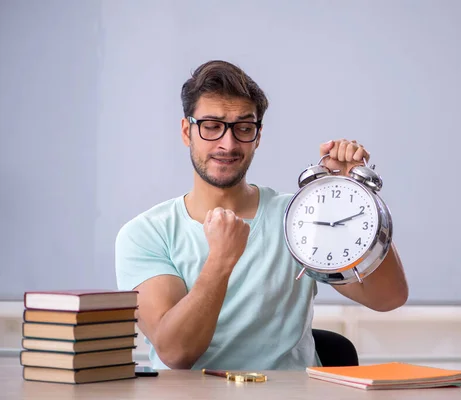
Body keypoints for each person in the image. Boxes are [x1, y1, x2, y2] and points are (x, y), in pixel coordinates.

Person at [115, 60, 409, 371]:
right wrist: (221, 259)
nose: (227, 144)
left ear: (258, 136)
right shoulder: (145, 233)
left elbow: (388, 297)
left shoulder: (299, 217)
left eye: (243, 128)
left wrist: (354, 195)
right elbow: (175, 352)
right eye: (212, 126)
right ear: (187, 131)